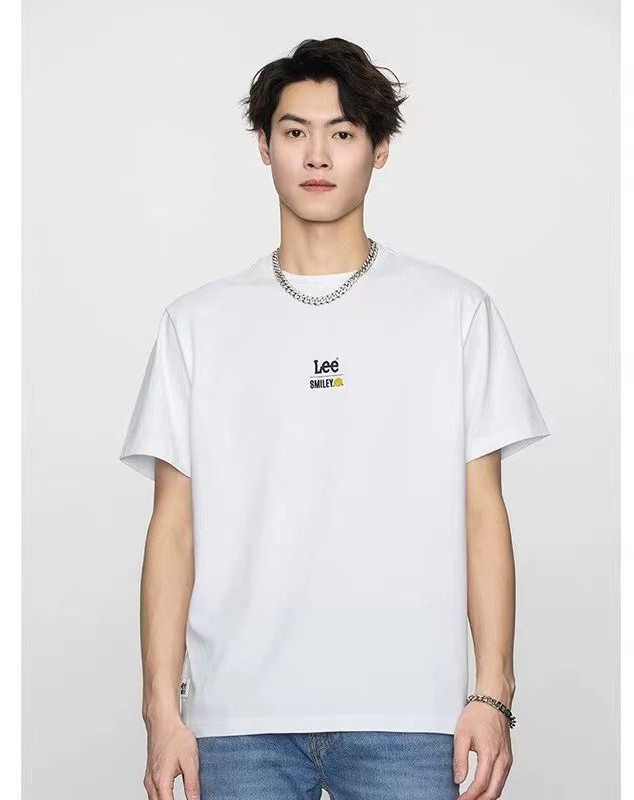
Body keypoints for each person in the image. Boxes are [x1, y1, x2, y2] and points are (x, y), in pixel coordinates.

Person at [119, 37, 550, 800]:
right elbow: (172, 528)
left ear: (379, 149)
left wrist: (493, 692)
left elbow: (483, 511)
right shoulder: (197, 324)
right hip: (237, 720)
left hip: (410, 716)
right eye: (295, 131)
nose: (317, 155)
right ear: (264, 145)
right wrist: (161, 712)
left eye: (342, 133)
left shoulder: (454, 311)